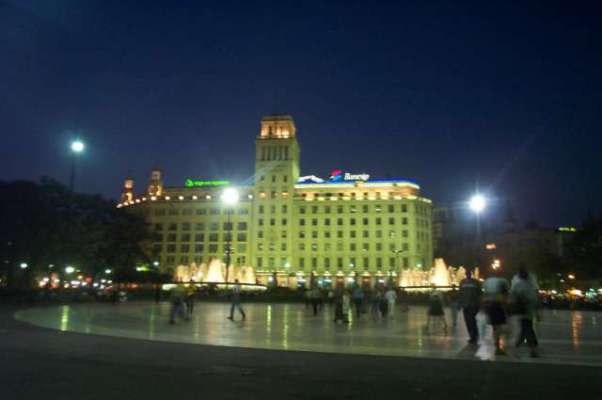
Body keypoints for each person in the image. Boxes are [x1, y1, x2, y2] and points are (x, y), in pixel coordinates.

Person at [509, 265, 540, 357]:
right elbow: (535, 299)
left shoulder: (517, 285)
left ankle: (527, 346)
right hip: (529, 310)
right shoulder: (530, 286)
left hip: (521, 310)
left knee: (526, 328)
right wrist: (537, 311)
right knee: (527, 327)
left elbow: (512, 296)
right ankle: (527, 345)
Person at [483, 269, 509, 355]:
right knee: (499, 326)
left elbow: (485, 294)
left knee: (495, 326)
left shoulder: (487, 281)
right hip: (499, 305)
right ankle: (497, 345)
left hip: (490, 305)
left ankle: (496, 343)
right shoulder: (503, 281)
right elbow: (506, 294)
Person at [458, 269, 482, 345]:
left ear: (470, 274)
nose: (468, 274)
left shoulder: (474, 282)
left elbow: (479, 293)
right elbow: (460, 293)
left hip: (473, 305)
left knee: (472, 320)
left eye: (469, 273)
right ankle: (473, 335)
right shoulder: (463, 282)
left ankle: (474, 335)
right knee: (469, 321)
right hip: (467, 305)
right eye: (467, 273)